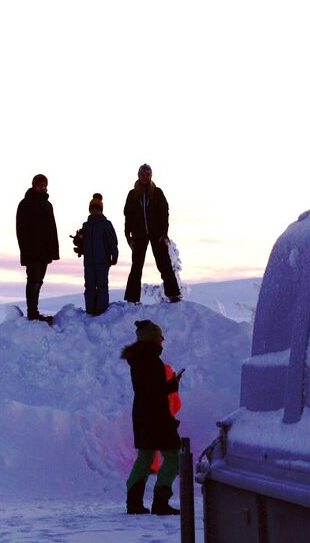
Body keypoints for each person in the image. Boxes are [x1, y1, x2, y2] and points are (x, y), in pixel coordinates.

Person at [121, 319, 182, 516]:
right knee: (173, 457)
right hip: (156, 415)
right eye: (160, 338)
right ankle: (161, 501)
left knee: (145, 457)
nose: (162, 341)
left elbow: (146, 390)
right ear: (152, 339)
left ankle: (134, 502)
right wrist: (171, 386)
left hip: (142, 414)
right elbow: (154, 392)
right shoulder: (150, 360)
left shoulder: (139, 358)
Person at [122, 164, 181, 303]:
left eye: (147, 175)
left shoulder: (157, 192)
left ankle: (173, 294)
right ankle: (132, 298)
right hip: (139, 234)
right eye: (142, 174)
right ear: (139, 176)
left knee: (164, 263)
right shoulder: (132, 194)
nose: (145, 177)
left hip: (157, 233)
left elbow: (164, 212)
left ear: (151, 176)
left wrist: (164, 233)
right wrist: (127, 234)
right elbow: (127, 215)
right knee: (136, 265)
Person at [15, 173, 59, 322]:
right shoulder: (25, 204)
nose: (43, 188)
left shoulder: (47, 205)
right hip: (32, 252)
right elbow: (20, 230)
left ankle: (34, 311)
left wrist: (54, 251)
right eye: (40, 185)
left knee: (39, 281)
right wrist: (25, 250)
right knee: (33, 280)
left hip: (44, 252)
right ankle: (32, 312)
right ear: (34, 185)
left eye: (45, 185)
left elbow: (53, 229)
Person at [79, 193, 118, 316]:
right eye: (93, 209)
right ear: (90, 210)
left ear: (101, 210)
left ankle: (101, 309)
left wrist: (114, 255)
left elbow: (113, 241)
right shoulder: (86, 225)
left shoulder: (106, 224)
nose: (95, 211)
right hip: (89, 261)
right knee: (89, 285)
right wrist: (79, 242)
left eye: (97, 209)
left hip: (102, 260)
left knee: (102, 285)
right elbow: (82, 242)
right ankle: (90, 309)